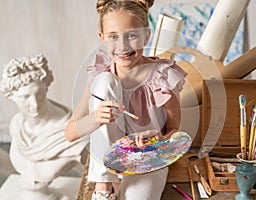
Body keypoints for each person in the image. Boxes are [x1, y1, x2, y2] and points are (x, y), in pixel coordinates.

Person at [64, 0, 186, 199]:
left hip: (147, 156)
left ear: (146, 35)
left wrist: (157, 138)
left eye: (132, 35)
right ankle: (104, 186)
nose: (122, 46)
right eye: (113, 37)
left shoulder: (162, 77)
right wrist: (96, 117)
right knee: (105, 80)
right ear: (102, 38)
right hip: (108, 164)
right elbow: (70, 133)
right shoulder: (100, 72)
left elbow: (174, 133)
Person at [0, 54, 87, 200]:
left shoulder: (73, 133)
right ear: (11, 95)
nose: (34, 104)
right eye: (25, 97)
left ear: (46, 88)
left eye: (39, 94)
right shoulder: (17, 124)